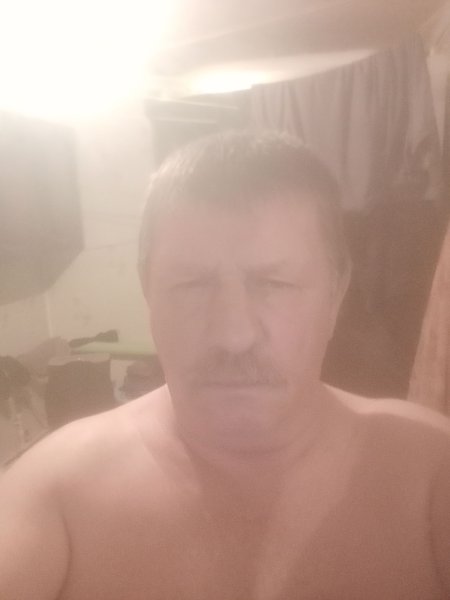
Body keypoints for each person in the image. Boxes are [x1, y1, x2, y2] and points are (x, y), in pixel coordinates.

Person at [1, 131, 449, 600]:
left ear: (336, 294)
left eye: (274, 283)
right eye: (192, 285)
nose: (233, 336)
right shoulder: (54, 495)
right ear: (149, 292)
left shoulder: (432, 477)